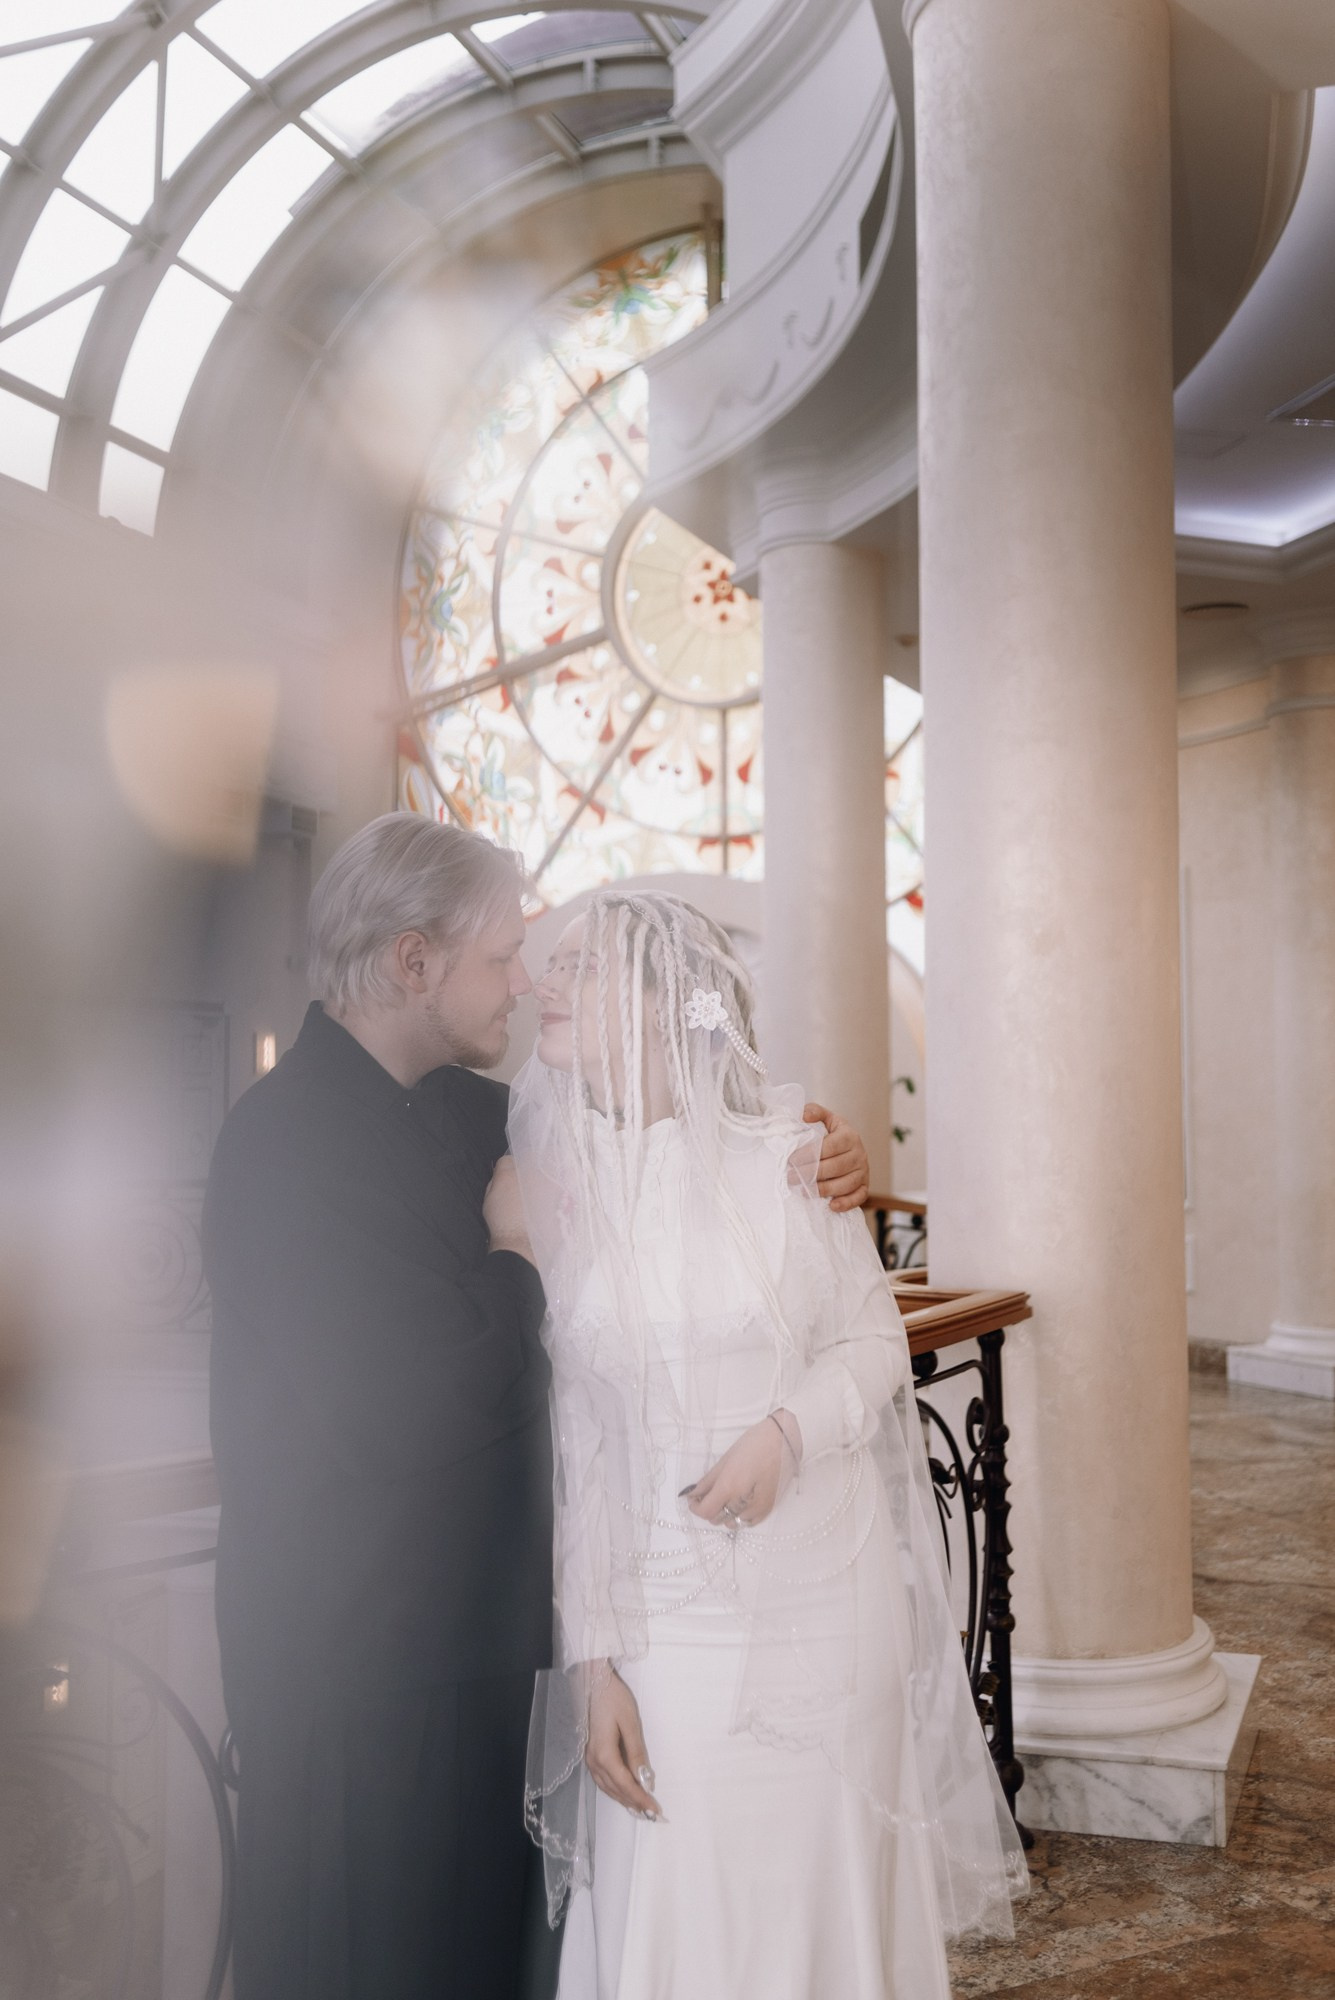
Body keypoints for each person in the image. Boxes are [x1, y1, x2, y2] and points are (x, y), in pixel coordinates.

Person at [202, 815, 871, 2000]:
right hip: (354, 1679)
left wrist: (813, 1142)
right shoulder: (278, 1145)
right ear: (413, 961)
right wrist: (514, 1255)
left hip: (491, 1666)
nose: (525, 980)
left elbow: (666, 1142)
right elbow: (396, 1407)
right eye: (505, 955)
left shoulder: (479, 1115)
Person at [513, 891, 1029, 2000]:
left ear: (662, 1001)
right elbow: (578, 1452)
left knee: (812, 1877)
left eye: (580, 966)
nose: (544, 985)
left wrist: (789, 1432)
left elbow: (873, 1341)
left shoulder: (791, 1161)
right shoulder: (556, 1189)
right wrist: (593, 1665)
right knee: (683, 1882)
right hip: (660, 1620)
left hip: (820, 1600)